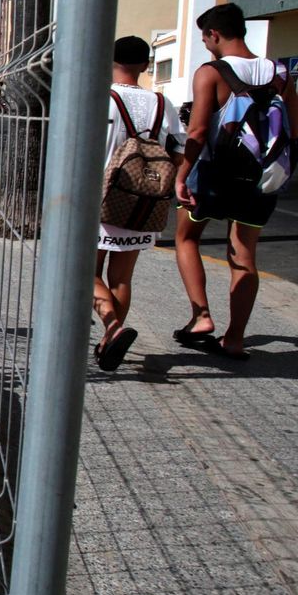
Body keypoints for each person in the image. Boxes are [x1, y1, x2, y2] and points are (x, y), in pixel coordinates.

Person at [172, 3, 298, 360]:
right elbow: (297, 126)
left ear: (214, 34)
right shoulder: (280, 72)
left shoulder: (211, 72)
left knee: (186, 237)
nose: (205, 44)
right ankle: (235, 338)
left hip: (215, 175)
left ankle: (201, 317)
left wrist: (182, 174)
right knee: (244, 256)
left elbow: (198, 131)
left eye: (205, 38)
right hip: (260, 179)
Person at [95, 35, 186, 370]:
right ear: (146, 65)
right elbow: (178, 154)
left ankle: (112, 327)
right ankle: (109, 342)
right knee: (121, 277)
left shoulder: (100, 99)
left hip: (100, 198)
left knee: (86, 272)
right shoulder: (164, 105)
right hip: (143, 202)